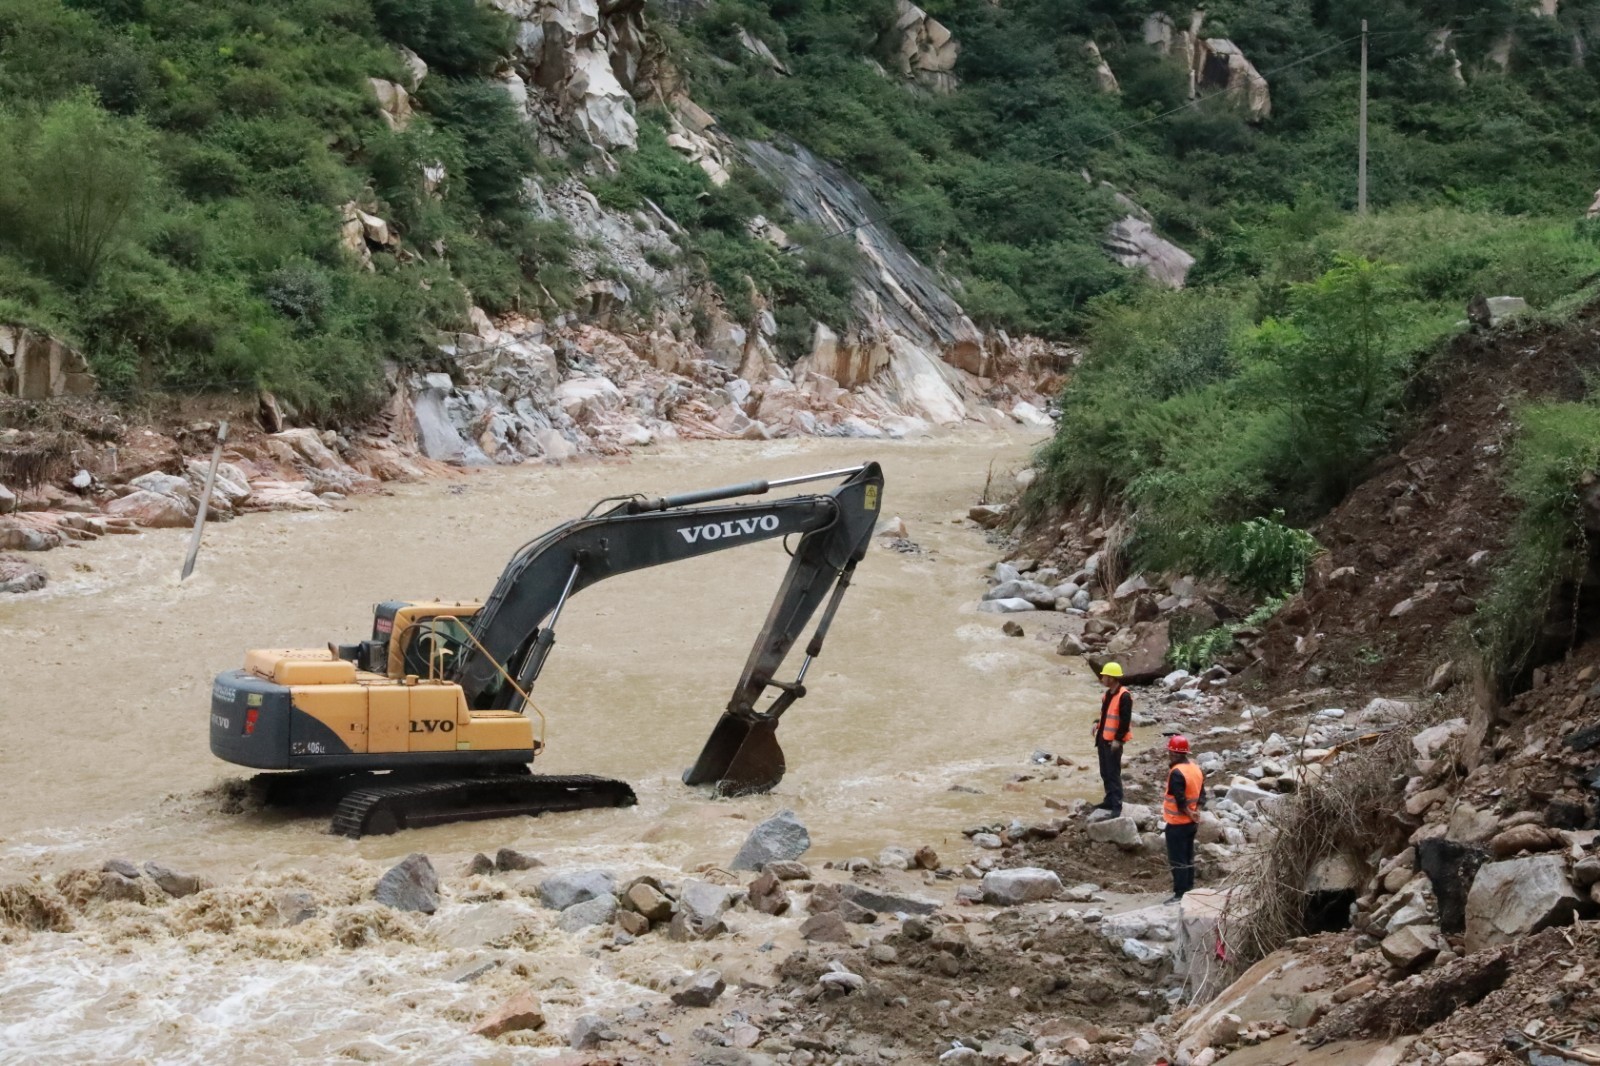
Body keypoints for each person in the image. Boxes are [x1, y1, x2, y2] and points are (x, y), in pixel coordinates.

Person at [1162, 734, 1205, 904]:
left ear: (1173, 753)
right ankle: (1189, 888)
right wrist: (1196, 812)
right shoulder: (1195, 769)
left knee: (1177, 859)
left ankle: (1180, 894)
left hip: (1177, 823)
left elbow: (1180, 799)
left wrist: (1188, 812)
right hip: (1191, 823)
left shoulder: (1177, 772)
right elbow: (1202, 794)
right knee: (1188, 856)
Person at [1093, 662, 1132, 816]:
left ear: (1112, 678)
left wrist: (1118, 739)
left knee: (1113, 773)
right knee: (1105, 772)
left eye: (1104, 676)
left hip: (1113, 742)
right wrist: (1096, 724)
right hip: (1103, 739)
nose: (1102, 678)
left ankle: (1116, 805)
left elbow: (1125, 720)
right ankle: (1109, 799)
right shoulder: (1108, 694)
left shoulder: (1124, 696)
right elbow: (1106, 715)